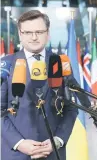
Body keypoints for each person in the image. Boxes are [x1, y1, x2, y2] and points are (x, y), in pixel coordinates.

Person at [1, 10, 78, 160]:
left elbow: (71, 107)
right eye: (28, 32)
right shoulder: (5, 65)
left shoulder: (60, 64)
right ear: (20, 33)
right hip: (16, 153)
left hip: (53, 153)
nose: (34, 37)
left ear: (47, 33)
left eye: (39, 32)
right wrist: (20, 143)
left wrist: (58, 140)